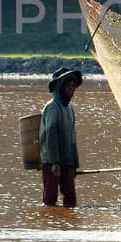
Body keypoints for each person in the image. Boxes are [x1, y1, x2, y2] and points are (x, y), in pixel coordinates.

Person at [39, 66, 83, 207]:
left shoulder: (69, 109)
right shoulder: (53, 107)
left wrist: (74, 163)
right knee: (50, 200)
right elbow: (51, 135)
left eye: (74, 86)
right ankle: (51, 224)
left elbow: (72, 138)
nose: (72, 89)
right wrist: (54, 162)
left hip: (67, 161)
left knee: (70, 199)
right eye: (69, 85)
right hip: (53, 162)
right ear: (60, 86)